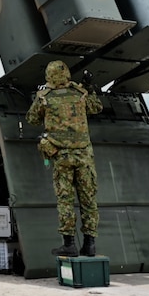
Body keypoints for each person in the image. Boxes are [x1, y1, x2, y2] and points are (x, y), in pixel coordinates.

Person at [25, 60, 102, 257]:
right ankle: (90, 244)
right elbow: (97, 108)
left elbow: (32, 119)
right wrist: (90, 88)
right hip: (84, 155)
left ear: (48, 76)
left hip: (61, 156)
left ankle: (69, 244)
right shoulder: (80, 93)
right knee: (88, 200)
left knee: (65, 199)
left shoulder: (45, 97)